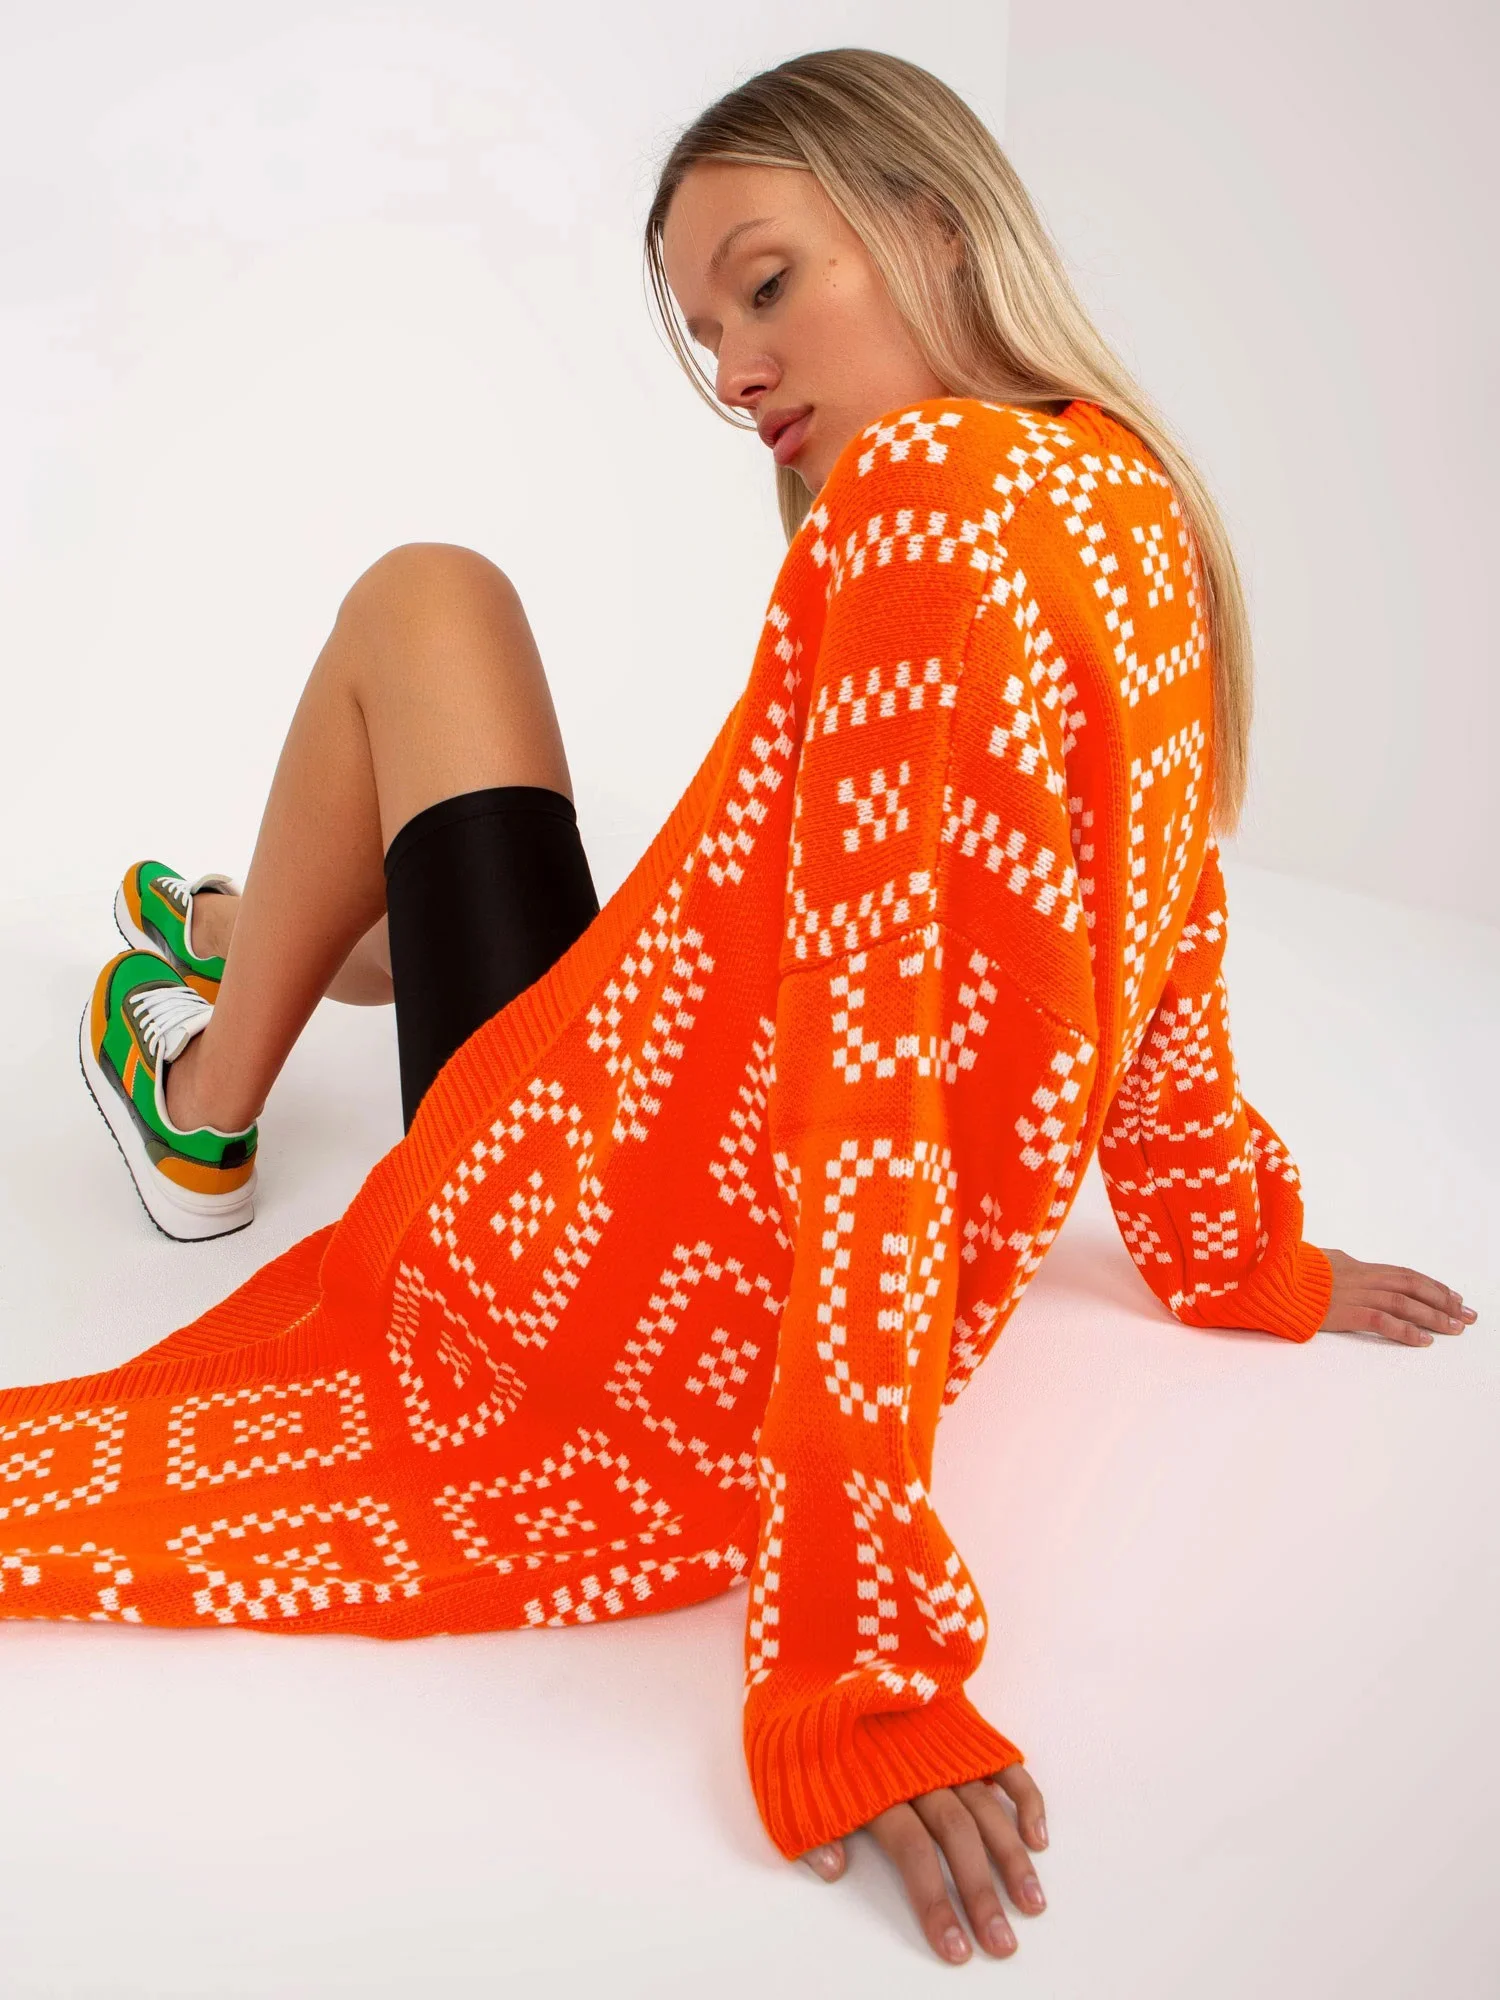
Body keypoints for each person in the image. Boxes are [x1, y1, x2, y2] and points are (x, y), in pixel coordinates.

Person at [4, 48, 1475, 1968]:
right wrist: (1230, 1254)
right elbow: (1154, 935)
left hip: (570, 1238)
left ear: (937, 223)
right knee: (524, 860)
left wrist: (856, 1659)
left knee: (426, 596)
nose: (734, 374)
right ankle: (241, 926)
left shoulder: (926, 505)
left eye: (765, 286)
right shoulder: (1131, 503)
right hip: (640, 1087)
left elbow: (871, 1089)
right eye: (707, 333)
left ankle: (198, 1079)